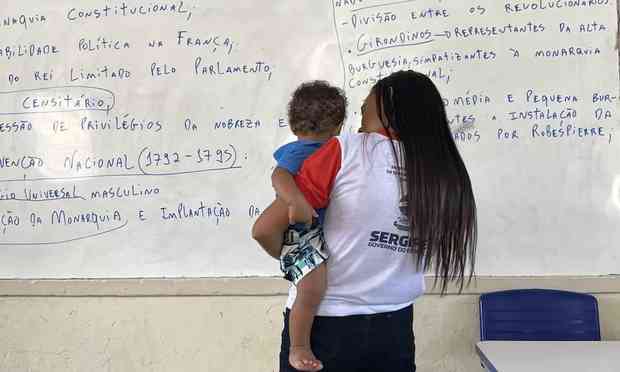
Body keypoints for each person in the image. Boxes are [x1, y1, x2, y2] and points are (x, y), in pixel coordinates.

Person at [253, 70, 477, 372]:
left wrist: (301, 259)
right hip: (395, 328)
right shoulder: (442, 171)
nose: (359, 117)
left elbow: (264, 229)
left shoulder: (346, 149)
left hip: (326, 325)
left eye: (364, 107)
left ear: (386, 107)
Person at [252, 81, 347, 371]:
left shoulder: (335, 149)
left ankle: (288, 260)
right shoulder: (302, 151)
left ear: (293, 123)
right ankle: (299, 347)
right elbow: (279, 176)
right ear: (339, 124)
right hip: (303, 231)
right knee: (311, 290)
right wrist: (295, 201)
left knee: (311, 287)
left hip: (313, 230)